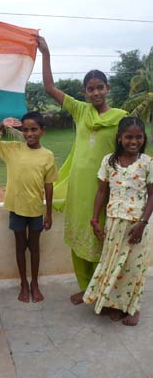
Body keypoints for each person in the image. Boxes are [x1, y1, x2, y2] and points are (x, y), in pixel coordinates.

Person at [37, 36, 127, 305]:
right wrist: (46, 53)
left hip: (104, 188)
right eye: (90, 89)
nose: (96, 92)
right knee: (79, 237)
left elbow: (128, 151)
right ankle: (86, 288)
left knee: (103, 238)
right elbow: (49, 87)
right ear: (85, 92)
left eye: (100, 87)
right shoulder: (80, 110)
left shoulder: (120, 117)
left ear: (107, 88)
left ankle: (104, 290)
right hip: (79, 186)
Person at [83, 116, 153, 326]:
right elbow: (101, 192)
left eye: (138, 137)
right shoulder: (109, 161)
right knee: (113, 265)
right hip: (113, 222)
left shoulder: (147, 162)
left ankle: (133, 308)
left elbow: (152, 195)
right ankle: (115, 304)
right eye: (129, 137)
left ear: (144, 138)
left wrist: (142, 223)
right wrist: (95, 219)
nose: (134, 141)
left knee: (134, 267)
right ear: (119, 138)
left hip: (137, 225)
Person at [0, 112, 58, 303]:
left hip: (35, 209)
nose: (29, 133)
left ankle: (35, 283)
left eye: (34, 129)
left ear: (42, 131)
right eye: (25, 130)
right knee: (20, 247)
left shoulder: (47, 155)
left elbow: (49, 185)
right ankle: (23, 284)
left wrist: (48, 213)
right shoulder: (13, 149)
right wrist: (2, 124)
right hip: (16, 208)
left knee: (34, 248)